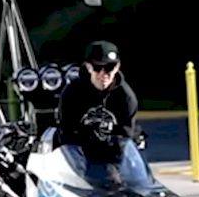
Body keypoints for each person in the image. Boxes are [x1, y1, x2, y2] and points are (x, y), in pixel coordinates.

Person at [56, 40, 150, 189]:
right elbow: (66, 134)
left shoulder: (126, 98)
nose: (103, 74)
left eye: (109, 68)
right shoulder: (72, 93)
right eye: (97, 67)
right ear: (88, 67)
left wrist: (115, 170)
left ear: (117, 67)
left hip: (113, 157)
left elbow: (124, 139)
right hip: (80, 155)